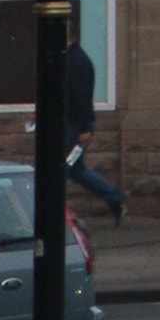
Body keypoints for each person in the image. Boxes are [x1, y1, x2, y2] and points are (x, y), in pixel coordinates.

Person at [64, 14, 124, 223]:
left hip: (73, 126)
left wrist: (85, 128)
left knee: (61, 168)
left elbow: (82, 98)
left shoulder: (78, 62)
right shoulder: (70, 59)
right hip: (70, 124)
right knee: (77, 171)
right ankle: (114, 197)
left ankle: (54, 215)